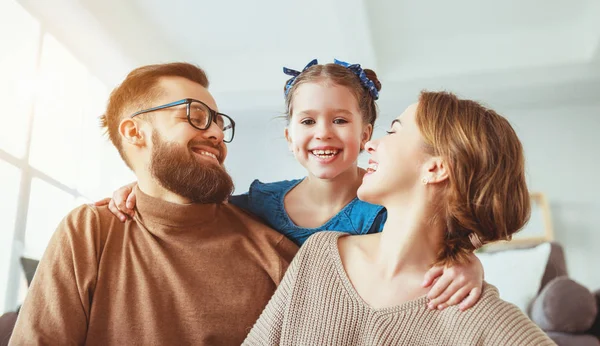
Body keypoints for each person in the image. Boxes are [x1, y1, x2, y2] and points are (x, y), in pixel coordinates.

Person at [101, 59, 486, 311]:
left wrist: (469, 265)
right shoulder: (257, 203)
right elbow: (192, 210)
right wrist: (138, 189)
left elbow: (442, 240)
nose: (323, 134)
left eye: (339, 120)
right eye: (307, 122)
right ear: (289, 137)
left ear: (366, 133)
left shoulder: (387, 211)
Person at [9, 62, 298, 346]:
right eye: (195, 116)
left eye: (220, 124)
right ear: (134, 132)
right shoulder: (89, 231)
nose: (218, 135)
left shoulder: (271, 248)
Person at [243, 91, 556, 346]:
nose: (370, 144)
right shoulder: (319, 254)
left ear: (435, 167)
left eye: (394, 130)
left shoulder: (478, 316)